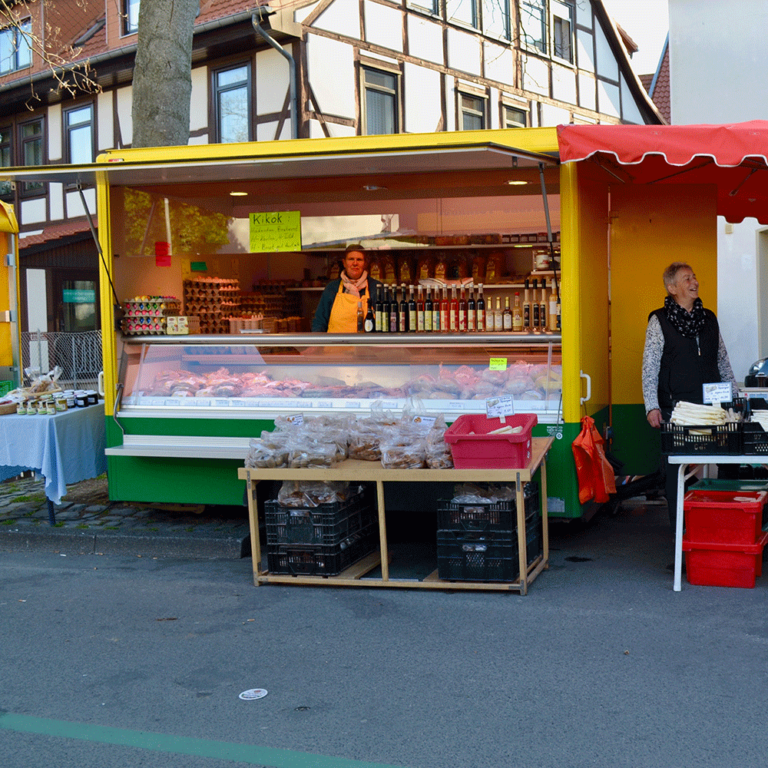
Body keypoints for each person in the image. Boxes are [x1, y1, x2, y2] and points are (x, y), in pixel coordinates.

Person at [642, 262, 737, 528]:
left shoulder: (709, 318)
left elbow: (722, 360)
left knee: (728, 461)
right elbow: (650, 365)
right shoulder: (658, 320)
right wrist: (652, 405)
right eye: (686, 279)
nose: (694, 282)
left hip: (714, 407)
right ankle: (680, 536)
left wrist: (735, 398)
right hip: (677, 408)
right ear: (672, 288)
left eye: (694, 277)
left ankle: (724, 526)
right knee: (676, 471)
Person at [311, 246, 381, 332]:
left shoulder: (376, 288)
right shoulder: (332, 288)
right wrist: (317, 344)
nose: (355, 263)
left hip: (368, 345)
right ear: (344, 263)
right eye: (351, 259)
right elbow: (320, 321)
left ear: (365, 263)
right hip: (336, 344)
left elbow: (386, 321)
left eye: (359, 259)